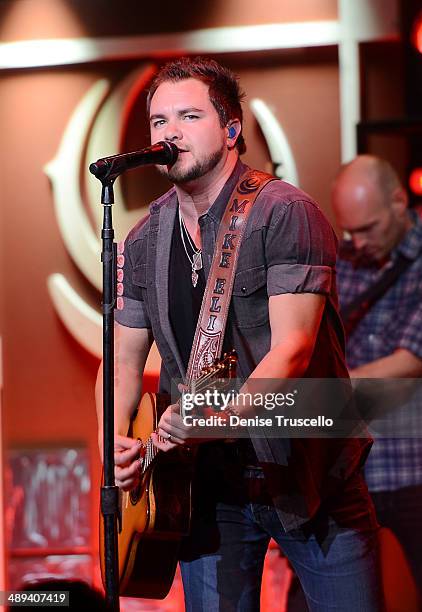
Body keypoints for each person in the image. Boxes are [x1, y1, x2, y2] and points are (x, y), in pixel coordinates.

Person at [96, 58, 382, 611]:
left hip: (309, 472)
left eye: (188, 115)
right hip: (205, 485)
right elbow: (122, 363)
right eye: (158, 121)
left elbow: (293, 350)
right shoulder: (142, 238)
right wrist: (114, 443)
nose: (169, 132)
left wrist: (214, 419)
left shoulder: (285, 213)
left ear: (232, 130)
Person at [332, 155, 422, 596]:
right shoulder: (342, 260)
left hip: (412, 463)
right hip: (351, 465)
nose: (358, 241)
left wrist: (324, 393)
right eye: (350, 231)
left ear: (399, 201)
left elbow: (410, 360)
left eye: (367, 228)